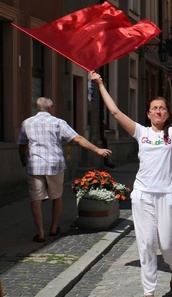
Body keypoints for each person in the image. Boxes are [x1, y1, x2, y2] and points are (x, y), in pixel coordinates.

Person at [90, 71, 172, 297]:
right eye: (154, 108)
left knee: (167, 244)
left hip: (168, 195)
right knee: (146, 244)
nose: (158, 111)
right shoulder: (141, 133)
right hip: (143, 195)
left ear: (167, 114)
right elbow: (115, 113)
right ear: (148, 114)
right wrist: (100, 83)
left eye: (162, 108)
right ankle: (149, 293)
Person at [18, 97, 112, 242]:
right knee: (57, 196)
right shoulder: (58, 122)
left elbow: (22, 145)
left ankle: (41, 233)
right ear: (50, 107)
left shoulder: (27, 123)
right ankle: (54, 228)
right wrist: (97, 150)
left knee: (36, 199)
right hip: (55, 164)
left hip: (34, 164)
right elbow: (77, 138)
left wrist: (23, 159)